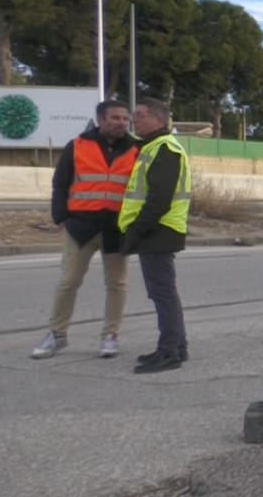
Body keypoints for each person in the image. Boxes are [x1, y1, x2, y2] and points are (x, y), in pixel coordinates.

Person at [31, 100, 139, 360]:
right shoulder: (78, 145)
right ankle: (57, 335)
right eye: (115, 118)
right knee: (68, 282)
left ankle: (110, 335)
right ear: (100, 120)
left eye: (125, 119)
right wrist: (60, 217)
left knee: (117, 284)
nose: (121, 123)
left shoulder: (137, 148)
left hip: (117, 228)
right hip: (80, 228)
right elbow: (61, 183)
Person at [118, 98, 192, 374]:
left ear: (158, 120)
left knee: (162, 294)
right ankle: (177, 347)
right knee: (164, 293)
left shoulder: (165, 148)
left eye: (140, 115)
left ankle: (169, 351)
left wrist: (136, 231)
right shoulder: (154, 147)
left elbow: (159, 199)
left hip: (158, 229)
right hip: (159, 229)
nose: (134, 120)